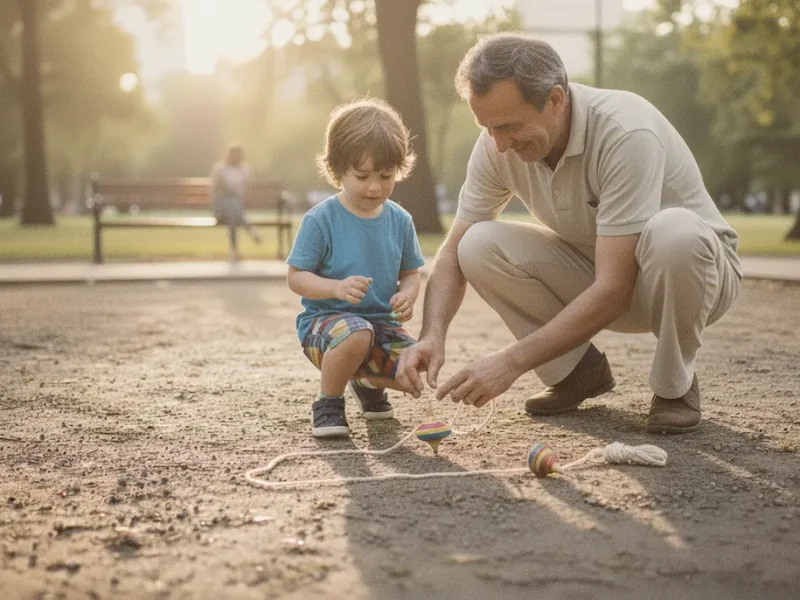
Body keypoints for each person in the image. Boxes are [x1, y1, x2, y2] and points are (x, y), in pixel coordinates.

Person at [396, 33, 742, 434]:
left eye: (508, 126)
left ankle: (674, 386)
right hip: (603, 278)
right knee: (475, 244)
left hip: (694, 279)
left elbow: (615, 288)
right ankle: (576, 373)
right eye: (487, 127)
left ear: (556, 99)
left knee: (674, 233)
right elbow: (452, 251)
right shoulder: (495, 144)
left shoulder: (625, 131)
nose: (500, 144)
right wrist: (432, 335)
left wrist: (510, 363)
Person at [286, 98, 426, 438]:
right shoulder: (321, 219)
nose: (374, 186)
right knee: (356, 333)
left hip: (381, 324)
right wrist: (335, 288)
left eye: (386, 175)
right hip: (325, 326)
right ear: (338, 170)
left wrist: (408, 295)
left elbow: (411, 273)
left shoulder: (401, 220)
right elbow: (296, 277)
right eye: (362, 176)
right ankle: (328, 402)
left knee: (415, 363)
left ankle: (365, 382)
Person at [210, 144, 262, 262]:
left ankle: (234, 251)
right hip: (221, 208)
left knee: (233, 214)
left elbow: (250, 188)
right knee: (232, 205)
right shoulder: (220, 169)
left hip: (237, 208)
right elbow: (218, 189)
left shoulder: (245, 169)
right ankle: (251, 230)